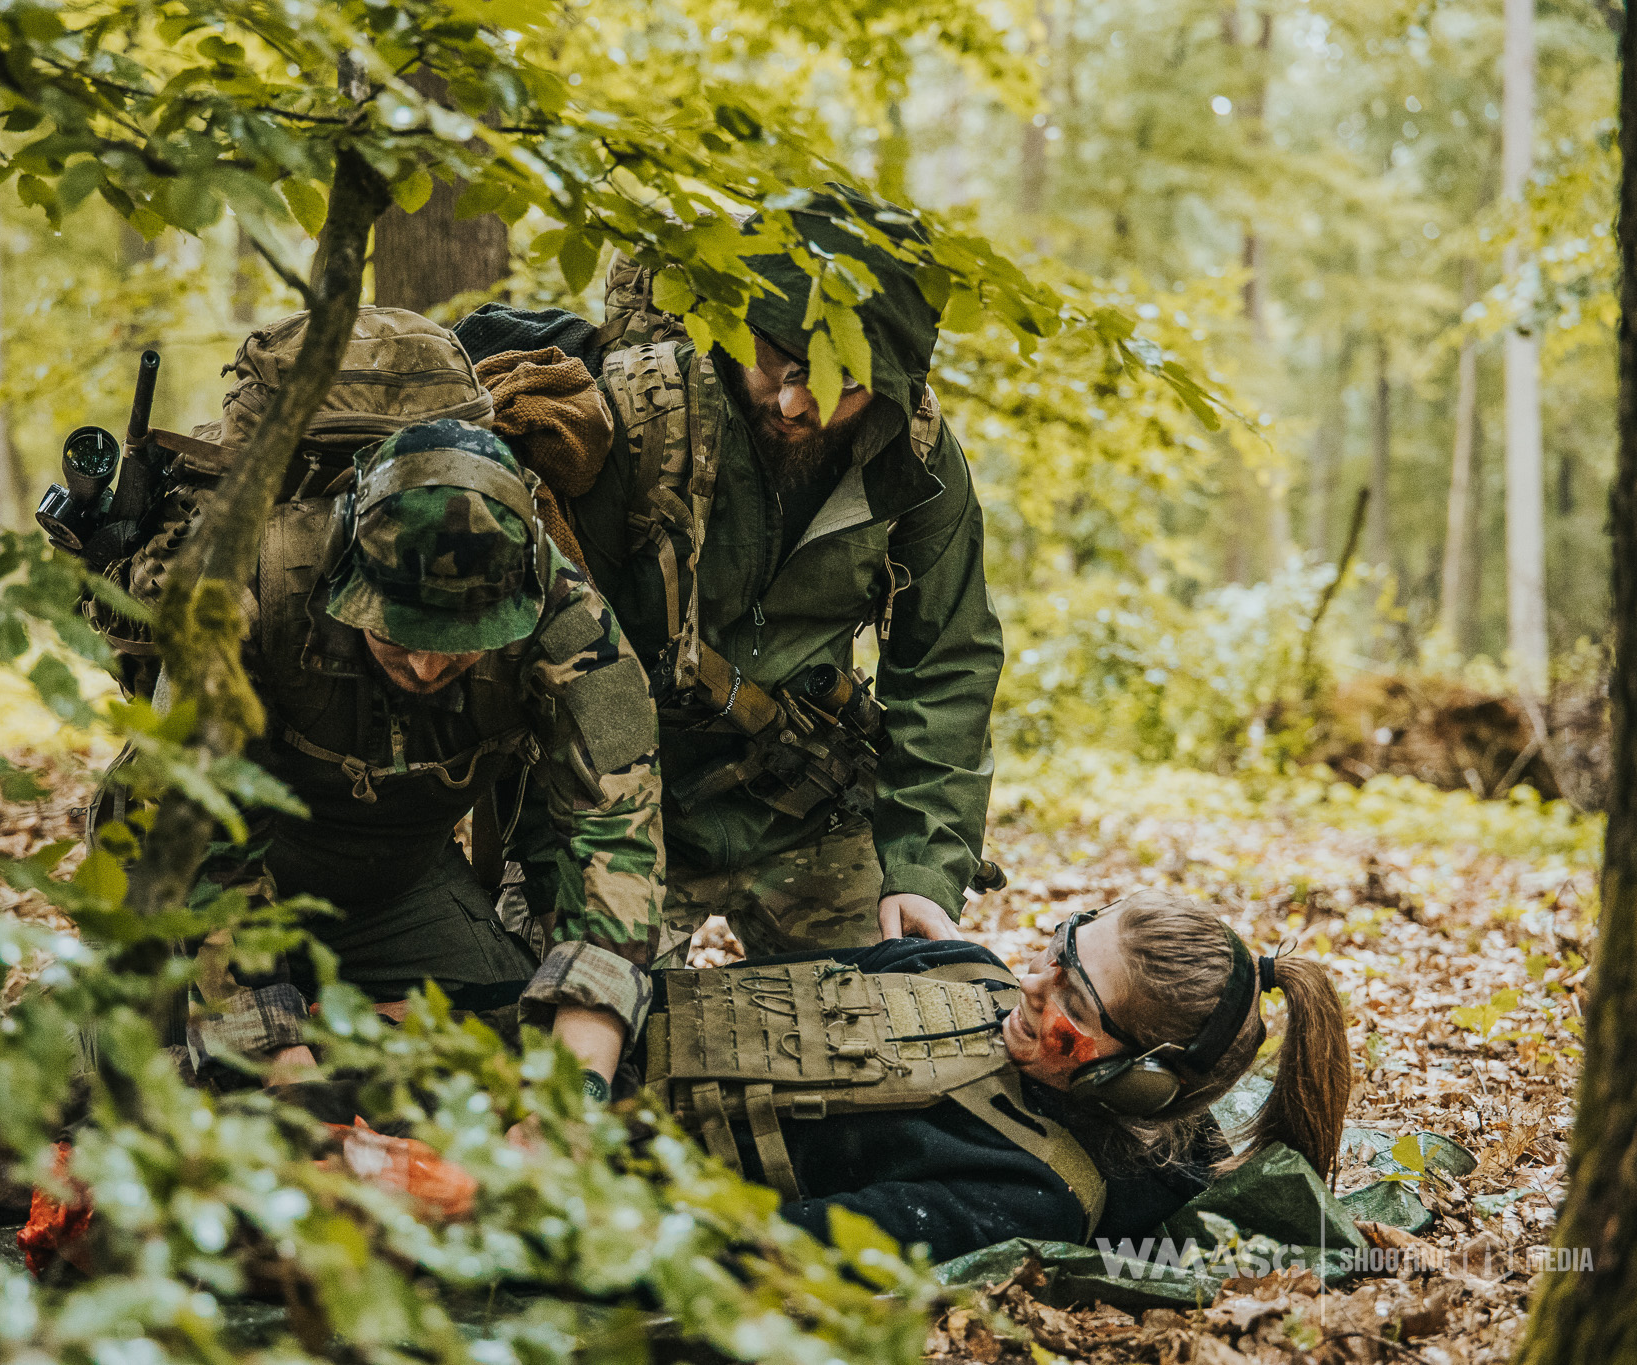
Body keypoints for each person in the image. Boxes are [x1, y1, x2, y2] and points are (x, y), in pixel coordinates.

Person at [487, 187, 1003, 967]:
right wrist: (550, 855)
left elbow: (948, 664)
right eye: (776, 360)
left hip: (806, 814)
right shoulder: (638, 417)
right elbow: (543, 659)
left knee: (909, 1016)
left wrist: (924, 870)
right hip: (622, 813)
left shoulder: (917, 460)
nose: (795, 402)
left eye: (838, 383)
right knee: (570, 1037)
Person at [181, 417, 666, 1095]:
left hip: (396, 885)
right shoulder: (254, 593)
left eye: (461, 637)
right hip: (210, 880)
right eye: (399, 630)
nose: (426, 662)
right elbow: (203, 844)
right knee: (135, 1081)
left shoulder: (568, 624)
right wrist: (280, 1071)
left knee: (498, 1034)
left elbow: (617, 848)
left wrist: (575, 1096)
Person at [641, 891, 1353, 1263]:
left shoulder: (1032, 1191)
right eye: (1056, 951)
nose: (1030, 987)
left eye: (1073, 1004)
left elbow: (770, 1247)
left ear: (1138, 1081)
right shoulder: (958, 965)